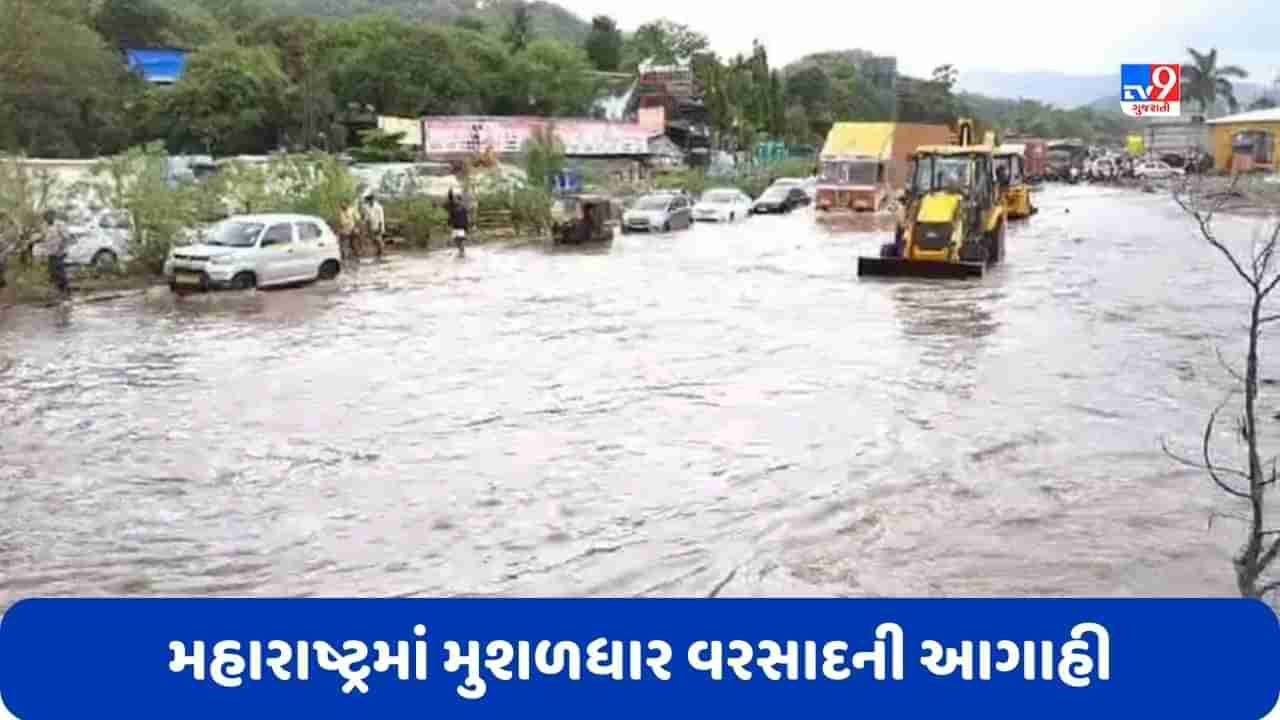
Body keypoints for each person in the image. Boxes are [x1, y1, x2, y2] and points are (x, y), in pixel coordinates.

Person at [42, 210, 72, 296]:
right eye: (45, 218)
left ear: (53, 216)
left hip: (59, 251)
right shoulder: (45, 226)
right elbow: (45, 238)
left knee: (60, 271)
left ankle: (66, 290)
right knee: (53, 271)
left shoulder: (60, 225)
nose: (47, 219)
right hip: (50, 252)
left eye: (48, 216)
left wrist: (61, 248)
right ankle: (59, 289)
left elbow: (66, 238)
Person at [362, 194, 386, 260]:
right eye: (368, 201)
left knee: (378, 240)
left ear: (373, 200)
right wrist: (365, 226)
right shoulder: (366, 207)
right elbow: (366, 218)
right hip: (371, 226)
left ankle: (380, 254)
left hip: (378, 225)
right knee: (374, 240)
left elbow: (381, 218)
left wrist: (380, 228)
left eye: (370, 200)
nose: (369, 202)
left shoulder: (379, 207)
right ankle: (377, 253)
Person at [447, 189, 469, 258]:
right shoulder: (453, 207)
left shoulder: (463, 208)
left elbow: (466, 218)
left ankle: (462, 252)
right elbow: (450, 200)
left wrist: (466, 227)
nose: (455, 200)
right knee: (456, 240)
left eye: (456, 199)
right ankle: (460, 251)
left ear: (459, 200)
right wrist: (450, 193)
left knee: (460, 239)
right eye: (455, 199)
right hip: (455, 226)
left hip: (461, 225)